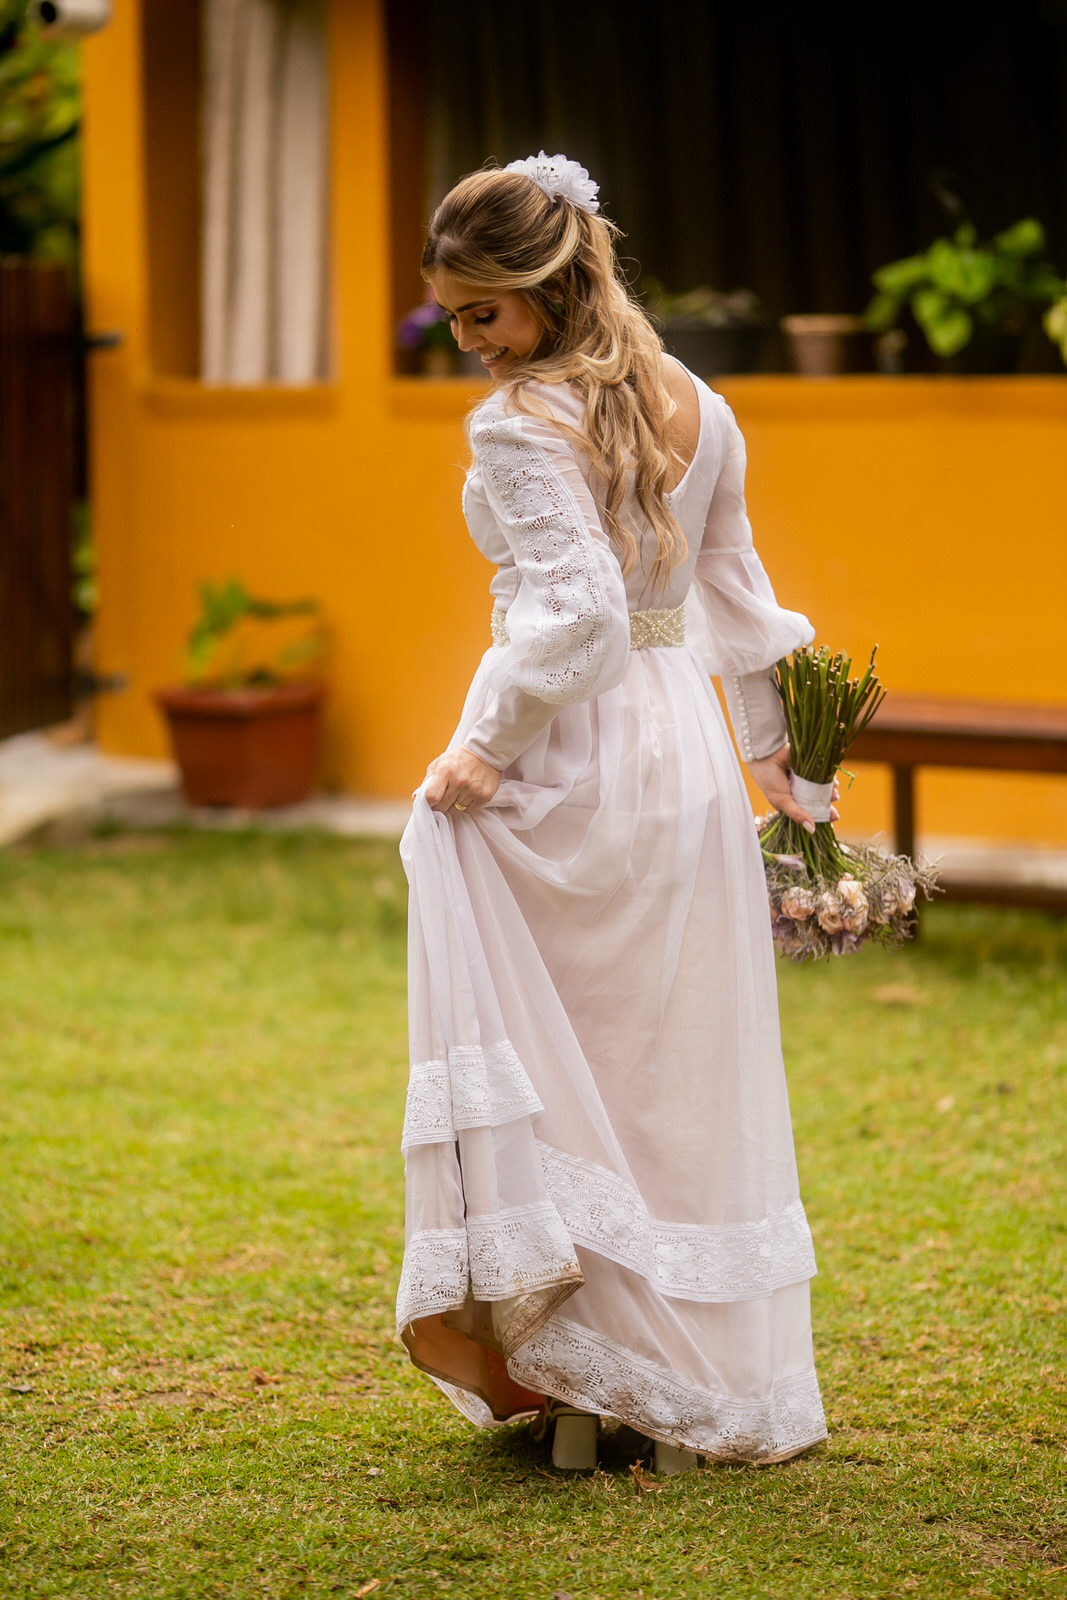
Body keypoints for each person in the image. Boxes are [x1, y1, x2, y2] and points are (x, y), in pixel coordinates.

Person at [397, 152, 828, 1472]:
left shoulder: (526, 420)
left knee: (572, 1058)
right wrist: (774, 763)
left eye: (486, 314)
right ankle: (631, 1379)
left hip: (577, 754)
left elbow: (577, 619)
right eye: (454, 316)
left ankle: (597, 1376)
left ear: (551, 285)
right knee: (656, 1065)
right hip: (680, 754)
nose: (469, 344)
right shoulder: (699, 398)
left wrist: (479, 747)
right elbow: (743, 601)